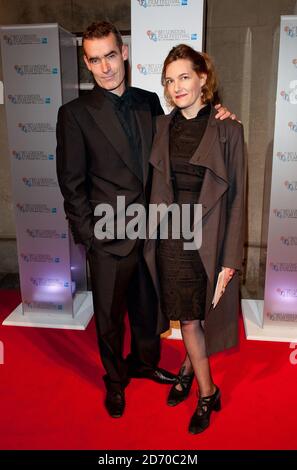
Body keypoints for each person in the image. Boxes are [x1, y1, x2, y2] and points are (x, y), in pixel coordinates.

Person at [56, 21, 234, 419]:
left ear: (125, 53)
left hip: (153, 231)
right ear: (87, 63)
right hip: (108, 234)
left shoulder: (150, 102)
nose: (105, 67)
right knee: (108, 318)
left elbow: (189, 129)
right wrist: (90, 237)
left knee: (146, 310)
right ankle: (115, 381)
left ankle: (142, 361)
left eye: (110, 55)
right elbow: (71, 184)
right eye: (95, 59)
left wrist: (220, 112)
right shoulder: (75, 114)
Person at [144, 44, 245, 434]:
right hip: (171, 239)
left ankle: (207, 392)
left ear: (204, 77)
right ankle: (193, 374)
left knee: (194, 318)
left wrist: (231, 258)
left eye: (184, 77)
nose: (176, 87)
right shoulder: (161, 126)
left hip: (210, 238)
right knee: (188, 317)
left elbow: (236, 196)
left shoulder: (228, 129)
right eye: (170, 81)